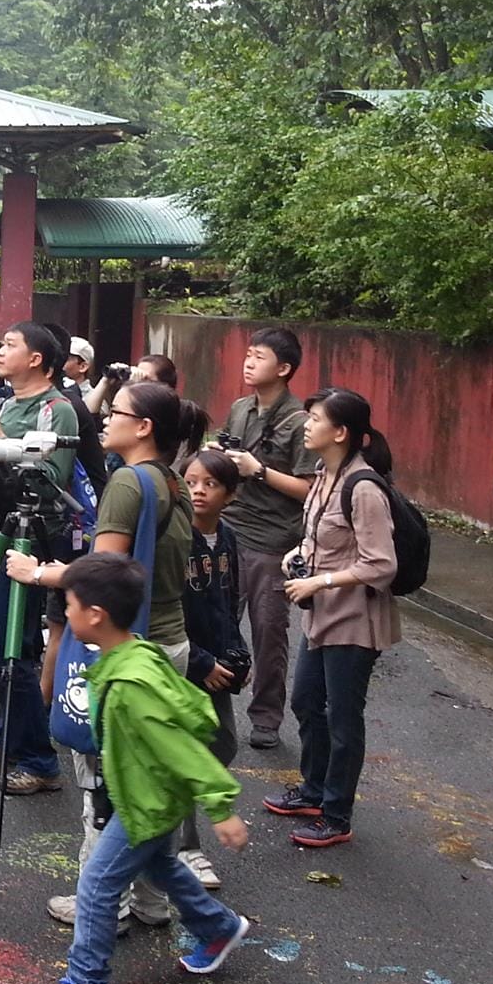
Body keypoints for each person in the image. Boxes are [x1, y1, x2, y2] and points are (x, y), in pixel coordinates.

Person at [10, 378, 204, 934]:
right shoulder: (173, 480)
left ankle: (104, 904)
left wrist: (38, 572)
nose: (103, 420)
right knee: (146, 786)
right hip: (169, 643)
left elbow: (103, 573)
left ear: (143, 428)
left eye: (115, 412)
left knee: (103, 785)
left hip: (127, 653)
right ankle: (149, 901)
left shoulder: (127, 483)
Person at [24, 553, 250, 984]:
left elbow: (180, 749)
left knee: (98, 884)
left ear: (95, 615)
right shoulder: (130, 652)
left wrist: (221, 807)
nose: (64, 614)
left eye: (69, 605)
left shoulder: (132, 681)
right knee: (161, 864)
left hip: (148, 801)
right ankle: (218, 926)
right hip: (144, 794)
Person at [264, 387, 399, 849]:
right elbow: (321, 538)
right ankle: (313, 790)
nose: (307, 424)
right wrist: (298, 554)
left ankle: (336, 815)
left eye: (315, 418)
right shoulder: (324, 475)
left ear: (341, 432)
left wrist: (319, 582)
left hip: (354, 621)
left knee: (343, 719)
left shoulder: (363, 488)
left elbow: (381, 564)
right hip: (321, 616)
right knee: (305, 702)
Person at [0, 321, 77, 794]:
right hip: (3, 533)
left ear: (36, 358)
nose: (0, 352)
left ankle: (40, 760)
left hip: (34, 541)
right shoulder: (10, 403)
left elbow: (50, 479)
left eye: (10, 345)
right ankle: (5, 732)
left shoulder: (57, 410)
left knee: (14, 650)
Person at [219, 327, 318, 750]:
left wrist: (256, 470)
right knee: (216, 625)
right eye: (248, 355)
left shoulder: (303, 421)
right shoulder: (240, 408)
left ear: (284, 368)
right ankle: (210, 709)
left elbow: (309, 488)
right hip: (229, 528)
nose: (248, 362)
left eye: (258, 357)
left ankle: (266, 717)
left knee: (268, 632)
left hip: (273, 539)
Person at [177, 449, 248, 889]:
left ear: (230, 495)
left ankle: (170, 831)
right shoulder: (176, 540)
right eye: (191, 481)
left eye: (210, 484)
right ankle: (187, 848)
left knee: (223, 744)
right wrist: (200, 661)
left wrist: (235, 654)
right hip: (185, 662)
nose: (199, 491)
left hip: (218, 663)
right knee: (189, 751)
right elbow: (167, 611)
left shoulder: (228, 538)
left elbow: (230, 601)